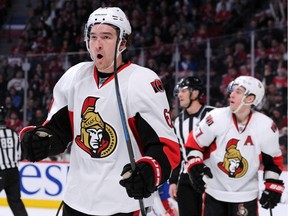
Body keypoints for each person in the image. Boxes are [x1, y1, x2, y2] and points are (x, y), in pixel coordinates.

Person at [19, 7, 180, 216]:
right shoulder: (74, 76)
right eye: (93, 37)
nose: (98, 43)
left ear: (122, 42)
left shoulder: (142, 81)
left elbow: (165, 146)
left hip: (122, 204)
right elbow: (59, 130)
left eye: (106, 37)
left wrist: (149, 171)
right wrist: (42, 141)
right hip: (76, 200)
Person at [185, 76, 285, 215]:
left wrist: (272, 184)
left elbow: (273, 162)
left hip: (246, 196)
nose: (231, 94)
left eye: (238, 91)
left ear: (250, 98)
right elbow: (195, 144)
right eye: (232, 90)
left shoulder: (266, 127)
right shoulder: (216, 117)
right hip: (214, 193)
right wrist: (194, 163)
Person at [168, 76, 214, 216]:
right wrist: (174, 181)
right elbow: (178, 153)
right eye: (179, 91)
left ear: (195, 93)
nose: (179, 95)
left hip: (211, 178)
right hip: (186, 178)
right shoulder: (178, 121)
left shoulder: (213, 115)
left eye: (183, 91)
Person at [0, 106, 28, 216]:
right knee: (16, 202)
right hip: (14, 173)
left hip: (1, 172)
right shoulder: (13, 133)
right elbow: (20, 155)